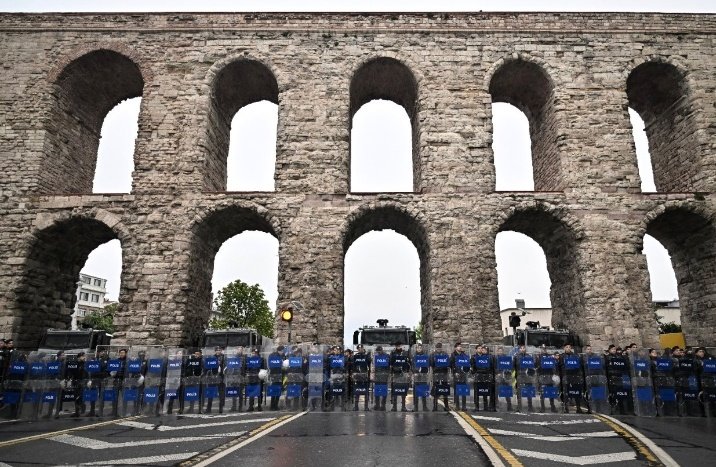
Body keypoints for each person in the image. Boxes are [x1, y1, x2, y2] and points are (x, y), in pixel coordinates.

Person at [560, 343, 588, 414]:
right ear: (564, 348)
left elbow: (579, 366)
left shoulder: (575, 356)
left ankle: (578, 408)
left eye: (569, 347)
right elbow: (560, 366)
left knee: (576, 391)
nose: (568, 348)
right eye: (567, 347)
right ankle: (566, 408)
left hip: (575, 376)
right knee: (566, 392)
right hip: (566, 376)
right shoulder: (562, 356)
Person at [605, 344, 633, 415]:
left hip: (619, 377)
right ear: (609, 350)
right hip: (612, 377)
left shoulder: (619, 357)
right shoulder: (607, 358)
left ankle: (622, 409)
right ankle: (613, 408)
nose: (614, 350)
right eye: (612, 349)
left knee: (621, 393)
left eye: (614, 349)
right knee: (613, 394)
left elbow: (624, 366)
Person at [471, 344, 495, 412]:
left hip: (486, 375)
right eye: (478, 348)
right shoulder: (474, 357)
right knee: (476, 392)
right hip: (478, 375)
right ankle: (476, 406)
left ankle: (485, 406)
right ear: (476, 350)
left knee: (485, 391)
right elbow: (472, 366)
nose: (480, 349)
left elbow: (489, 366)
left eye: (481, 348)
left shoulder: (486, 357)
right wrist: (475, 373)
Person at [514, 344, 536, 412]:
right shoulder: (516, 356)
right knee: (519, 391)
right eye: (521, 348)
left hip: (527, 375)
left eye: (524, 348)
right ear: (519, 349)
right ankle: (519, 406)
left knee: (529, 390)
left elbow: (532, 365)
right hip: (520, 375)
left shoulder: (528, 356)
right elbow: (514, 365)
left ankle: (530, 406)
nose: (523, 349)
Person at [390, 342, 410, 412]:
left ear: (401, 346)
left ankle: (403, 407)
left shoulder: (405, 353)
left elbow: (408, 363)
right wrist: (392, 373)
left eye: (399, 346)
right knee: (395, 389)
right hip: (395, 374)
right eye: (397, 346)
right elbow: (391, 363)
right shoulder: (393, 353)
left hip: (403, 374)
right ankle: (394, 407)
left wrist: (407, 372)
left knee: (403, 389)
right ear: (395, 346)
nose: (398, 347)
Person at [451, 343, 470, 411]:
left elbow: (467, 363)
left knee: (463, 390)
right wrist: (454, 372)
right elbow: (451, 365)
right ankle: (457, 405)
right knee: (457, 390)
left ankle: (464, 406)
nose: (460, 347)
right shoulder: (453, 355)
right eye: (458, 346)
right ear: (455, 348)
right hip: (456, 374)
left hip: (463, 374)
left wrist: (466, 370)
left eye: (460, 346)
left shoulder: (464, 355)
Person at [431, 343, 450, 411]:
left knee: (445, 389)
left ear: (441, 348)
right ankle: (435, 406)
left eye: (440, 348)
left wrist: (443, 365)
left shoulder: (445, 354)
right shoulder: (433, 354)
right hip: (436, 373)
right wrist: (435, 362)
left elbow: (448, 363)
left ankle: (446, 406)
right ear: (436, 348)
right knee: (436, 390)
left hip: (444, 373)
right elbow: (431, 363)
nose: (439, 349)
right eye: (437, 348)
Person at [352, 344, 370, 411]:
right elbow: (353, 366)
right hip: (357, 376)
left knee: (366, 391)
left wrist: (369, 375)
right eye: (359, 348)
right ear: (357, 349)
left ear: (363, 348)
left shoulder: (366, 356)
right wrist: (353, 375)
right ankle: (356, 406)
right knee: (357, 391)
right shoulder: (355, 356)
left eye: (361, 348)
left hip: (365, 376)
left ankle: (366, 407)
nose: (360, 349)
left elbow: (370, 366)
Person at [412, 343, 430, 412]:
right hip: (416, 376)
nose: (419, 349)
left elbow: (427, 366)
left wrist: (423, 371)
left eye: (420, 348)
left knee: (423, 390)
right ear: (416, 349)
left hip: (423, 375)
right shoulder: (414, 357)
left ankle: (424, 406)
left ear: (422, 348)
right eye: (418, 348)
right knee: (416, 391)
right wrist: (415, 372)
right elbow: (412, 366)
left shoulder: (425, 356)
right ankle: (415, 406)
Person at [183, 349, 203, 414]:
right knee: (192, 393)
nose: (196, 355)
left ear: (200, 354)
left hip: (199, 379)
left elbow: (203, 369)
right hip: (191, 379)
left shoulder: (202, 360)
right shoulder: (191, 360)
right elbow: (187, 368)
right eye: (195, 354)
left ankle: (200, 409)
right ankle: (191, 407)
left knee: (200, 394)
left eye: (198, 354)